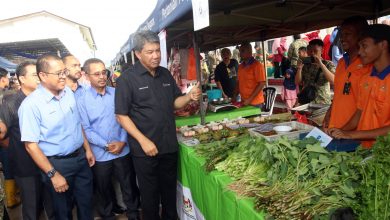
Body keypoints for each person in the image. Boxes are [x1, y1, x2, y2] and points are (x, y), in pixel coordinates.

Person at [115, 30, 201, 220]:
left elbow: (174, 103)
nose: (155, 56)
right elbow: (121, 116)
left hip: (168, 146)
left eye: (157, 51)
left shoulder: (165, 74)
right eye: (149, 52)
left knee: (170, 195)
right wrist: (143, 141)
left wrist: (188, 97)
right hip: (145, 151)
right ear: (138, 53)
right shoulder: (126, 80)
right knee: (150, 198)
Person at [18, 54, 95, 220]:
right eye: (59, 73)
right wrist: (53, 174)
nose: (63, 76)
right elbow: (31, 146)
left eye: (64, 71)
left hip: (81, 159)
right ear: (43, 76)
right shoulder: (31, 105)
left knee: (86, 205)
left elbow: (77, 123)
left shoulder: (68, 92)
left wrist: (87, 149)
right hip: (57, 165)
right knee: (63, 212)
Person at [77, 58, 140, 220]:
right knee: (103, 190)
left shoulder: (116, 93)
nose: (102, 77)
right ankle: (107, 216)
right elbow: (85, 128)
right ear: (86, 76)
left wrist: (123, 141)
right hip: (100, 154)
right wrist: (106, 145)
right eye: (96, 73)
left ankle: (134, 215)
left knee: (129, 187)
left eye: (104, 72)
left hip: (123, 149)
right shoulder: (81, 100)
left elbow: (126, 118)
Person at [0, 61, 55, 220]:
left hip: (48, 160)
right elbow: (2, 134)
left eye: (39, 74)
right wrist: (17, 147)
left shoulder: (46, 98)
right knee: (32, 207)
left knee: (52, 204)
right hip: (25, 166)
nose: (39, 78)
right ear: (22, 79)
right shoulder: (11, 102)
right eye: (33, 75)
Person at [327, 24, 390, 148]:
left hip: (384, 153)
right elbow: (359, 114)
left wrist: (351, 135)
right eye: (359, 46)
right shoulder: (366, 79)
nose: (360, 52)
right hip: (362, 150)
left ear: (383, 45)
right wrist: (339, 131)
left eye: (364, 46)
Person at [323, 16, 370, 129]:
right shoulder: (341, 62)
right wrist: (329, 112)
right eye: (341, 34)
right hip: (337, 128)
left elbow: (365, 105)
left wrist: (347, 130)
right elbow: (338, 92)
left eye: (347, 34)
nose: (342, 38)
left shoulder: (368, 65)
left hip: (355, 132)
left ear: (360, 36)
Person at [295, 39, 336, 105]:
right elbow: (297, 82)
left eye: (315, 51)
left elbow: (333, 80)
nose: (312, 53)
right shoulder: (305, 65)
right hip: (307, 101)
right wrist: (299, 68)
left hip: (322, 101)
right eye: (310, 51)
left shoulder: (328, 64)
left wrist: (321, 64)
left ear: (322, 51)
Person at [235, 42, 266, 106]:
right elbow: (238, 82)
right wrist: (234, 96)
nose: (240, 53)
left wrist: (249, 99)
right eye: (240, 51)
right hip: (244, 101)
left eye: (242, 51)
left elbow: (261, 83)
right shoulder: (240, 66)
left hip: (256, 103)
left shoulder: (257, 65)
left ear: (250, 51)